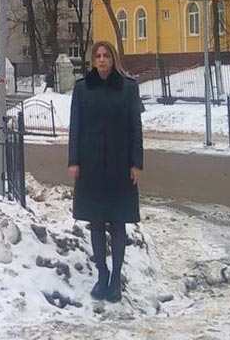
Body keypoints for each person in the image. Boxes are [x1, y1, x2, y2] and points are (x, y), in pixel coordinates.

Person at [66, 40, 144, 303]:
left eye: (106, 56)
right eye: (98, 56)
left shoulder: (128, 89)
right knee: (96, 223)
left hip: (120, 167)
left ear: (113, 59)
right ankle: (102, 274)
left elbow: (136, 128)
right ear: (93, 60)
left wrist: (136, 163)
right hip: (91, 167)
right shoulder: (83, 88)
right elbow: (75, 126)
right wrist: (73, 161)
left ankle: (116, 280)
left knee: (118, 223)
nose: (101, 60)